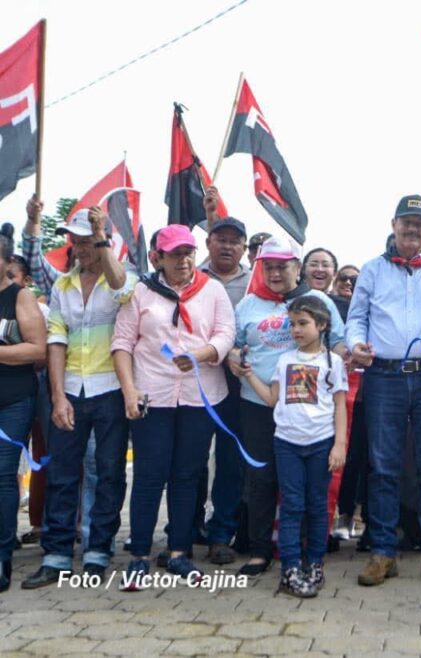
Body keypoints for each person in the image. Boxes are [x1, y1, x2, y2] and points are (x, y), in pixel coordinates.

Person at [346, 194, 421, 588]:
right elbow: (357, 317)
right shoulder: (373, 269)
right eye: (406, 222)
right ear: (393, 224)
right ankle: (382, 552)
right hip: (383, 375)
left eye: (420, 223)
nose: (412, 229)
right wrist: (357, 343)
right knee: (383, 467)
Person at [111, 224, 236, 587]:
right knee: (149, 476)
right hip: (153, 394)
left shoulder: (212, 290)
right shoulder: (141, 293)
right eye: (174, 253)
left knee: (187, 475)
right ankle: (139, 555)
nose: (183, 260)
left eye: (188, 252)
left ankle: (179, 552)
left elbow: (226, 333)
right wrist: (129, 390)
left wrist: (201, 354)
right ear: (157, 257)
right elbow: (122, 343)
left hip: (201, 395)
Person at [21, 208, 132, 589]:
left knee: (110, 473)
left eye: (87, 241)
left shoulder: (122, 278)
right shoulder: (62, 286)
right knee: (64, 475)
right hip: (71, 388)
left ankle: (99, 552)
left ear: (102, 241)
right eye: (77, 241)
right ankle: (56, 555)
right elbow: (56, 342)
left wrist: (102, 236)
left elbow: (119, 284)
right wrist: (57, 397)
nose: (80, 248)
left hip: (112, 390)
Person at [229, 236, 345, 576]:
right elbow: (233, 346)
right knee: (261, 478)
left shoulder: (318, 301)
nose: (276, 273)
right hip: (258, 404)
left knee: (308, 487)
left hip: (309, 414)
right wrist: (235, 359)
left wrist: (327, 371)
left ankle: (311, 553)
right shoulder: (248, 305)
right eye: (269, 266)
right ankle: (260, 550)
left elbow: (338, 344)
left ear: (298, 267)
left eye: (283, 266)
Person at [242, 295, 348, 597]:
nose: (296, 330)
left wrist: (339, 444)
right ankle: (289, 569)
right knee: (291, 506)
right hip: (287, 443)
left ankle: (314, 563)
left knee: (317, 506)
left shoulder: (334, 362)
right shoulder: (285, 360)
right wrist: (249, 374)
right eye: (292, 324)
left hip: (320, 443)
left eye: (303, 323)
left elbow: (340, 405)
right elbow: (272, 398)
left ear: (322, 325)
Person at [196, 190, 251, 566]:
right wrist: (210, 213)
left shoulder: (255, 284)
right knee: (191, 459)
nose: (228, 246)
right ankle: (185, 528)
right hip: (195, 379)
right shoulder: (192, 278)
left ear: (245, 248)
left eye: (235, 242)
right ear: (209, 242)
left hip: (238, 382)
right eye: (221, 239)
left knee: (231, 460)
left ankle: (221, 533)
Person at [0, 223, 46, 592]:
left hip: (13, 400)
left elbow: (37, 350)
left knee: (2, 474)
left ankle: (2, 557)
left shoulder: (20, 297)